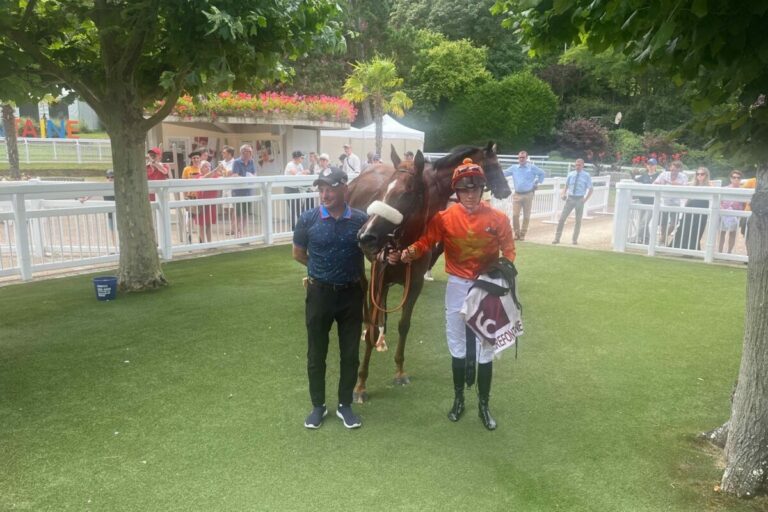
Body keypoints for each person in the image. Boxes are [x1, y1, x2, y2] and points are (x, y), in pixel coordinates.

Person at [396, 158, 516, 430]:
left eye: (475, 189)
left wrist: (502, 271)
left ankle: (484, 405)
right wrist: (409, 252)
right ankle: (459, 399)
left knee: (486, 344)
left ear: (483, 189)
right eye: (464, 190)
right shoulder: (444, 218)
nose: (470, 195)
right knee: (457, 342)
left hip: (487, 286)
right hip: (457, 285)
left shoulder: (499, 219)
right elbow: (427, 241)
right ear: (457, 192)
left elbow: (509, 250)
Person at [292, 166, 368, 430]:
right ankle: (318, 406)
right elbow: (298, 253)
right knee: (316, 353)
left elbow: (372, 252)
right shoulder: (308, 219)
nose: (324, 194)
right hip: (319, 294)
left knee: (350, 354)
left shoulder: (361, 220)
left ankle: (345, 405)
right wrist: (321, 269)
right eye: (321, 189)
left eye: (330, 189)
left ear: (344, 188)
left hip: (351, 295)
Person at [504, 150, 546, 241]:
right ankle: (516, 233)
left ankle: (523, 234)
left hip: (528, 194)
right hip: (517, 194)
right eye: (520, 157)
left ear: (526, 158)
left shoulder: (532, 168)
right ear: (518, 158)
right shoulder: (514, 168)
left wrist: (537, 182)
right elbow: (503, 173)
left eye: (523, 157)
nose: (521, 159)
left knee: (526, 216)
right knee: (515, 215)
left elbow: (542, 173)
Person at [553, 158, 593, 245]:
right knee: (562, 219)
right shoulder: (571, 174)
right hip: (570, 198)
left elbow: (591, 189)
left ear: (582, 165)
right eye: (576, 165)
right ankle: (557, 238)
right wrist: (563, 194)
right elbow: (566, 186)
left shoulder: (586, 176)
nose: (577, 167)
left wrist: (585, 199)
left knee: (578, 221)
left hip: (579, 199)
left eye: (579, 165)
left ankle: (574, 239)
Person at [671, 166, 710, 250]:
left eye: (702, 174)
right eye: (698, 174)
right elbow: (688, 197)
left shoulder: (709, 186)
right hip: (690, 207)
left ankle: (692, 249)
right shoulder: (693, 185)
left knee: (696, 229)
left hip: (701, 209)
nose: (699, 176)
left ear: (706, 175)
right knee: (684, 227)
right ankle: (679, 247)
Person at [653, 160, 688, 244]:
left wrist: (670, 183)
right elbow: (655, 183)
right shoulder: (664, 174)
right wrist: (660, 183)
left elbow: (685, 187)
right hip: (663, 201)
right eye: (672, 169)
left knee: (674, 223)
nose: (673, 172)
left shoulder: (683, 176)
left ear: (679, 170)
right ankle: (662, 240)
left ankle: (663, 238)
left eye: (675, 170)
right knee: (663, 223)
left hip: (676, 202)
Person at [631, 158, 661, 244]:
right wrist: (633, 175)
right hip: (642, 200)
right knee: (641, 221)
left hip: (652, 202)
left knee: (644, 222)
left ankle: (637, 238)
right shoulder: (644, 175)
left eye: (652, 165)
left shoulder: (658, 175)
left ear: (655, 166)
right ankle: (646, 239)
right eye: (649, 165)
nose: (650, 166)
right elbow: (635, 182)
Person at [194, 160, 223, 243]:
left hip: (211, 204)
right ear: (201, 168)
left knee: (209, 225)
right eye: (205, 166)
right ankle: (203, 243)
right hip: (201, 204)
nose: (208, 168)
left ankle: (210, 243)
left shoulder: (215, 176)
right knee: (202, 225)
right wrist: (215, 170)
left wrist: (221, 171)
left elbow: (223, 178)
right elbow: (203, 179)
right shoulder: (198, 176)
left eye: (209, 166)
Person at [231, 144, 257, 237]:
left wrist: (252, 177)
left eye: (251, 152)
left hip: (248, 191)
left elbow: (254, 173)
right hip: (238, 191)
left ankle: (242, 233)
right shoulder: (237, 162)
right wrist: (245, 178)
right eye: (248, 151)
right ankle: (236, 233)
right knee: (238, 214)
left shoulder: (252, 162)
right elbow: (234, 175)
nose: (250, 153)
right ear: (243, 152)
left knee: (245, 213)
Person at [719, 170, 745, 253]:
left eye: (738, 178)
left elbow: (744, 203)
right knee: (722, 233)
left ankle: (729, 252)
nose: (736, 179)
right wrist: (722, 209)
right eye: (734, 177)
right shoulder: (725, 189)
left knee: (732, 234)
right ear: (731, 178)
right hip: (724, 213)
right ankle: (719, 251)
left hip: (735, 214)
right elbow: (719, 201)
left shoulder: (743, 190)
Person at [284, 150, 308, 228]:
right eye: (301, 157)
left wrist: (303, 173)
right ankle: (294, 228)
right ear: (297, 158)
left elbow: (302, 174)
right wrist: (303, 172)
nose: (302, 159)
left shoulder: (300, 165)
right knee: (293, 208)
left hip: (297, 188)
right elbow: (296, 174)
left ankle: (300, 226)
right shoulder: (290, 164)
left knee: (299, 209)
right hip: (289, 189)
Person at [220, 146, 236, 235]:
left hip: (231, 188)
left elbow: (228, 173)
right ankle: (232, 227)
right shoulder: (222, 162)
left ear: (230, 154)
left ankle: (234, 228)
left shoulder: (235, 163)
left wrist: (223, 171)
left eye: (224, 153)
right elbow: (219, 173)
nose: (222, 154)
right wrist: (222, 171)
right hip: (224, 188)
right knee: (226, 209)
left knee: (232, 209)